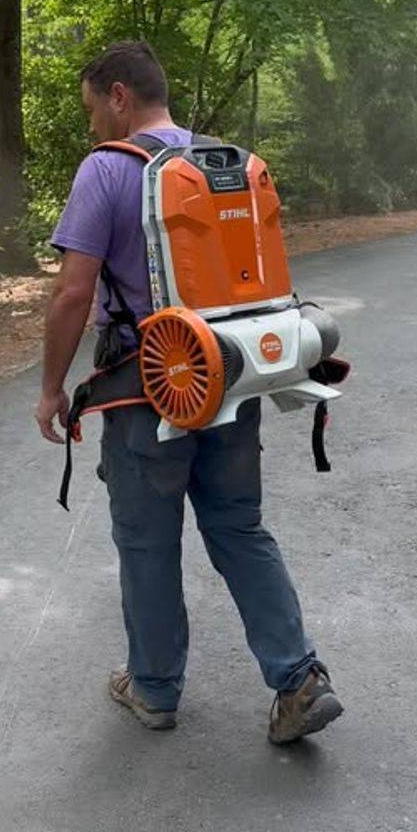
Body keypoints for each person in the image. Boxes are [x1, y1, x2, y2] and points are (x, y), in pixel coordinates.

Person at [36, 39, 343, 744]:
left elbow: (73, 293)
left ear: (119, 96)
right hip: (231, 374)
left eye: (92, 108)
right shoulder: (224, 163)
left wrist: (51, 388)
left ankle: (153, 688)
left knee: (147, 543)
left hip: (149, 387)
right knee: (238, 527)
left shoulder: (107, 168)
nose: (92, 125)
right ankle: (299, 679)